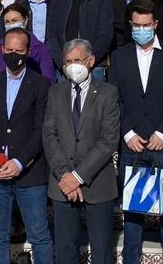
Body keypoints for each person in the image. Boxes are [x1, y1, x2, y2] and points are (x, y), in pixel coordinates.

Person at [108, 0, 163, 264]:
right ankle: (131, 259)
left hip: (162, 145)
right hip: (131, 144)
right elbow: (114, 100)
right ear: (130, 25)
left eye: (146, 25)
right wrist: (127, 133)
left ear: (155, 24)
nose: (141, 29)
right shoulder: (119, 56)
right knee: (133, 211)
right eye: (136, 25)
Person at [0, 28, 53, 264]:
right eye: (8, 50)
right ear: (2, 51)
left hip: (29, 175)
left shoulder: (41, 85)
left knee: (39, 235)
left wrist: (20, 161)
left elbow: (40, 129)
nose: (13, 55)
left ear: (28, 52)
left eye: (19, 51)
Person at [42, 39, 120, 264]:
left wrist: (77, 177)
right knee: (66, 251)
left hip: (97, 184)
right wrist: (65, 175)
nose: (72, 66)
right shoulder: (55, 93)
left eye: (77, 60)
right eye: (67, 62)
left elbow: (108, 140)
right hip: (62, 184)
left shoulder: (108, 93)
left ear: (91, 61)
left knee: (101, 250)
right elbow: (49, 135)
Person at [46, 0, 114, 79]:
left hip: (93, 67)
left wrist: (89, 61)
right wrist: (62, 64)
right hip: (66, 68)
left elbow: (106, 34)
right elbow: (52, 35)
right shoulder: (59, 0)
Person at [0, 3, 56, 85]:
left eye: (14, 21)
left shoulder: (41, 49)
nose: (11, 25)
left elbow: (48, 80)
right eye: (7, 22)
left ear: (25, 21)